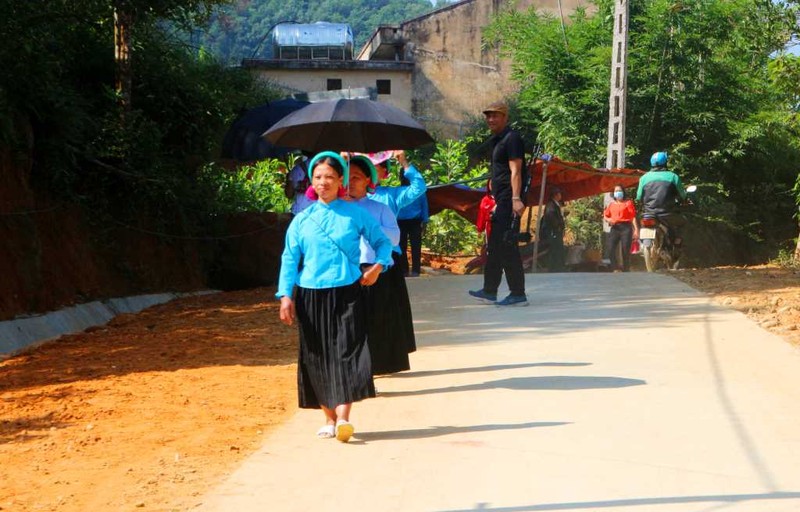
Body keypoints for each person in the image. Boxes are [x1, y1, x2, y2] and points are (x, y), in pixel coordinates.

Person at [276, 151, 393, 443]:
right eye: (317, 177)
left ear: (340, 180)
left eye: (329, 176)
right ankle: (327, 419)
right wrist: (285, 296)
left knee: (347, 352)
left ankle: (343, 419)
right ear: (311, 182)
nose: (323, 182)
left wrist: (379, 266)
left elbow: (383, 243)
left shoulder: (355, 214)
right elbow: (289, 260)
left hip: (347, 293)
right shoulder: (302, 220)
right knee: (316, 355)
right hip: (310, 295)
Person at [346, 155, 410, 375]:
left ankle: (376, 365)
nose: (351, 181)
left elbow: (393, 237)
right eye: (347, 177)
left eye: (356, 177)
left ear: (368, 181)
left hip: (377, 271)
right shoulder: (337, 209)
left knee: (377, 320)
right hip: (348, 273)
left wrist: (368, 228)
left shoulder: (380, 208)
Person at [363, 150, 427, 354]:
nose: (368, 172)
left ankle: (387, 354)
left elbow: (419, 187)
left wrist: (403, 162)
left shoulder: (392, 195)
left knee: (386, 310)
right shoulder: (349, 197)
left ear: (384, 174)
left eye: (374, 167)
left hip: (387, 260)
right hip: (358, 260)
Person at [468, 101, 528, 306]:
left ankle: (518, 293)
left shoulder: (512, 139)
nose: (491, 119)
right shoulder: (497, 140)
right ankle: (489, 290)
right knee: (494, 245)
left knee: (507, 245)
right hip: (501, 200)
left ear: (505, 118)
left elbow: (516, 171)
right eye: (488, 116)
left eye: (495, 116)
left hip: (510, 200)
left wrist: (516, 199)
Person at [635, 151, 687, 246]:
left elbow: (638, 197)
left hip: (649, 213)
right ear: (665, 162)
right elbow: (683, 195)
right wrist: (684, 201)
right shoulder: (673, 177)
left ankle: (644, 244)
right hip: (667, 213)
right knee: (682, 221)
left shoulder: (643, 178)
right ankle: (676, 242)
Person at [396, 171, 429, 277]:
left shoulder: (397, 191)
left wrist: (424, 221)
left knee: (405, 246)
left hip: (407, 222)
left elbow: (424, 206)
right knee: (410, 246)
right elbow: (424, 207)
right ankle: (411, 270)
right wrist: (425, 221)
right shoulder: (418, 191)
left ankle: (408, 270)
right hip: (408, 222)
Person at [603, 185, 639, 272]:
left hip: (626, 227)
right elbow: (605, 215)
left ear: (623, 192)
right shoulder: (611, 204)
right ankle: (615, 267)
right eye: (616, 191)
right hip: (615, 227)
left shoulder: (628, 203)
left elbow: (632, 217)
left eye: (619, 190)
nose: (617, 192)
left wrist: (636, 230)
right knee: (610, 248)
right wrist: (608, 219)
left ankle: (626, 269)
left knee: (625, 249)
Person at [540, 187, 566, 272]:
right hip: (552, 231)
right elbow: (550, 216)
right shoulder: (551, 205)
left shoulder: (555, 204)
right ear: (555, 195)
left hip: (556, 231)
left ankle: (558, 266)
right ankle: (554, 267)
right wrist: (558, 226)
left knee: (558, 248)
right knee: (554, 249)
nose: (560, 196)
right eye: (559, 194)